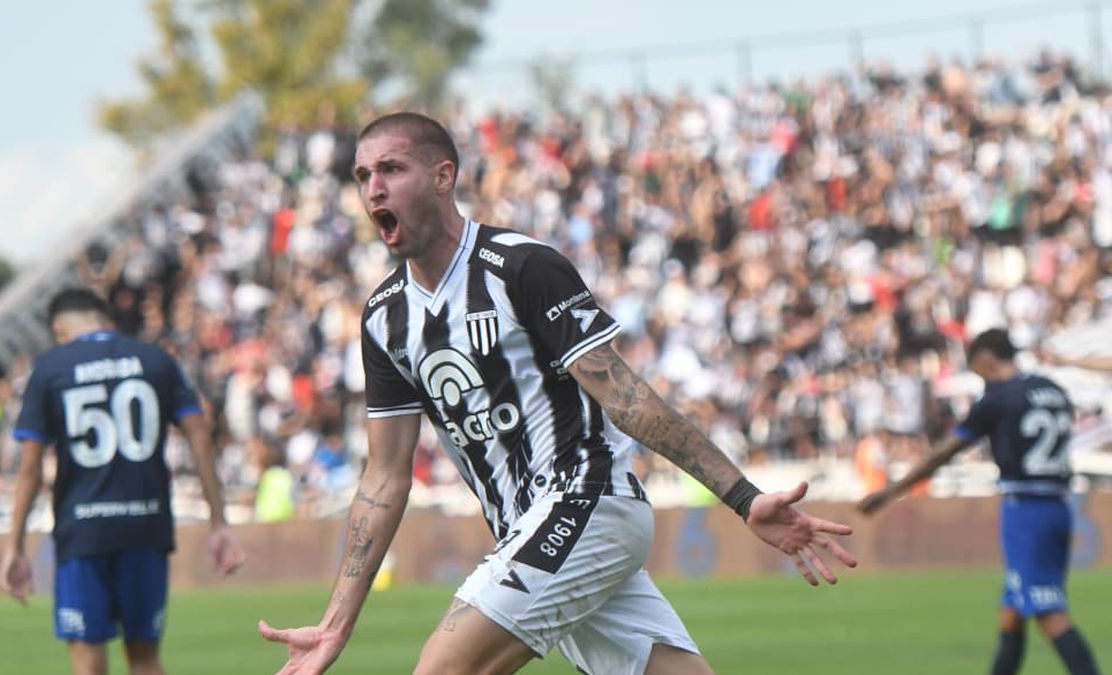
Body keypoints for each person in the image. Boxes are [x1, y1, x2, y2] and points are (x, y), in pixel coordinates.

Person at [259, 111, 857, 675]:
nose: (373, 190)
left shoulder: (519, 266)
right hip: (532, 529)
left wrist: (742, 496)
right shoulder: (385, 317)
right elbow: (384, 477)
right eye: (363, 176)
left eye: (391, 169)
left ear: (444, 177)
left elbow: (625, 397)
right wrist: (336, 624)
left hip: (587, 500)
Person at [0, 288, 246, 675]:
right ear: (104, 319)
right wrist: (218, 521)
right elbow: (199, 434)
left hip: (82, 530)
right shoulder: (156, 359)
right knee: (145, 658)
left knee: (87, 660)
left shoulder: (51, 367)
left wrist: (14, 546)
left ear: (60, 327)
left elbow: (30, 467)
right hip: (145, 525)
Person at [859, 328, 1102, 675]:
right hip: (1058, 505)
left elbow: (943, 453)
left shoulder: (998, 399)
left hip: (1026, 509)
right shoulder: (1054, 390)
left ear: (986, 360)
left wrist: (891, 490)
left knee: (1049, 613)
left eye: (977, 372)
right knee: (1012, 614)